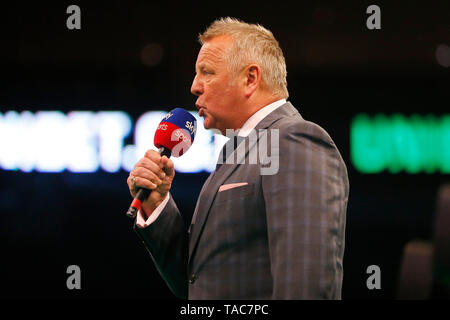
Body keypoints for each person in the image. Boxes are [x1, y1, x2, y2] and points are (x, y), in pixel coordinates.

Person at [127, 17, 349, 299]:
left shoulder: (292, 140)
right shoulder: (237, 150)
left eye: (206, 72)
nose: (195, 86)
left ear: (250, 79)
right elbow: (197, 283)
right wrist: (157, 204)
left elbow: (307, 285)